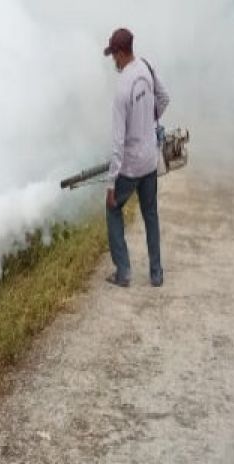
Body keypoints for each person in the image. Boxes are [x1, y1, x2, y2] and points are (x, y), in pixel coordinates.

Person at [102, 27, 170, 288]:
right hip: (150, 160)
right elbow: (164, 98)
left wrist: (111, 185)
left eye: (113, 56)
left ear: (120, 53)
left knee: (112, 209)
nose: (113, 61)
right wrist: (149, 121)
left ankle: (124, 272)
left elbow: (118, 143)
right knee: (150, 215)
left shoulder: (121, 89)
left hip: (130, 167)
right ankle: (156, 273)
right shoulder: (147, 67)